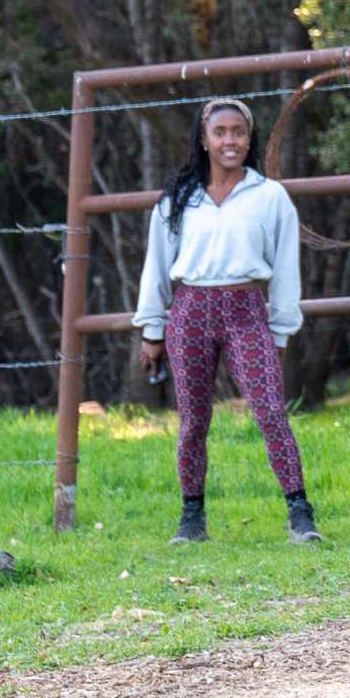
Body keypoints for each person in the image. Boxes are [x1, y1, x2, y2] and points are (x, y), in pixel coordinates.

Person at [134, 97, 321, 543]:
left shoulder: (269, 197)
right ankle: (192, 517)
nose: (229, 140)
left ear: (249, 137)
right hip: (191, 311)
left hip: (245, 310)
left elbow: (286, 268)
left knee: (271, 410)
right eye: (219, 132)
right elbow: (157, 266)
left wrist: (280, 327)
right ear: (204, 140)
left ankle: (300, 512)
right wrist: (152, 330)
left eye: (238, 131)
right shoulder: (180, 200)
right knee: (194, 421)